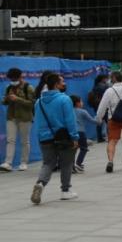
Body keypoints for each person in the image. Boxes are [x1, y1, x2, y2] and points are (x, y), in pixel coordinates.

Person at [30, 72, 79, 205]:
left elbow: (38, 121)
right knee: (66, 163)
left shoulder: (39, 102)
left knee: (48, 163)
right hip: (63, 137)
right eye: (62, 81)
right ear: (56, 84)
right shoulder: (64, 99)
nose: (64, 83)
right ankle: (65, 191)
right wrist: (75, 137)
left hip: (44, 138)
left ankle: (40, 183)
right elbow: (70, 120)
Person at [95, 70, 122, 173]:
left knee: (112, 141)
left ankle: (110, 161)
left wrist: (99, 118)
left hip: (113, 119)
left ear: (114, 78)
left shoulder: (109, 91)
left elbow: (102, 106)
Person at [1, 67, 35, 171]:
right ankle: (8, 163)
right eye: (11, 79)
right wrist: (7, 99)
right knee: (10, 140)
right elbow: (4, 102)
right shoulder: (8, 87)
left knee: (25, 141)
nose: (13, 81)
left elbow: (32, 104)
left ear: (21, 77)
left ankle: (24, 162)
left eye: (15, 79)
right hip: (11, 117)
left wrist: (18, 99)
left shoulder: (28, 87)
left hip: (25, 118)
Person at [72, 95, 98, 173]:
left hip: (71, 132)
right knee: (84, 148)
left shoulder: (69, 111)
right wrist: (99, 119)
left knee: (73, 149)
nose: (82, 103)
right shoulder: (83, 111)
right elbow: (92, 120)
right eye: (81, 101)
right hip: (80, 132)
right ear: (77, 103)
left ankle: (71, 165)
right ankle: (78, 163)